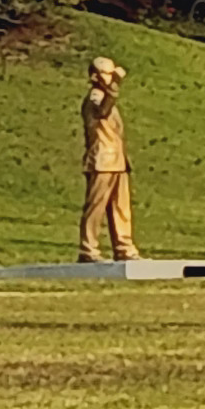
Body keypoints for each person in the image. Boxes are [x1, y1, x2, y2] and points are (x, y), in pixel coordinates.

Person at [78, 57, 136, 263]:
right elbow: (103, 111)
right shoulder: (94, 97)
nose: (110, 77)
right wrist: (115, 86)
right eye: (105, 73)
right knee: (96, 206)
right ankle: (88, 248)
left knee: (121, 207)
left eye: (111, 73)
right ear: (94, 76)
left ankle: (124, 247)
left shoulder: (105, 95)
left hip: (117, 159)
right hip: (102, 159)